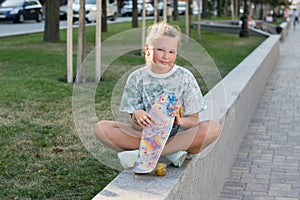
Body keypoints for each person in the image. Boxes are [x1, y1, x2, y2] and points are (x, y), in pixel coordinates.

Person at [94, 22, 222, 169]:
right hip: (147, 136)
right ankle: (170, 154)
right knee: (101, 128)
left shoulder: (185, 77)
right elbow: (135, 125)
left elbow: (194, 121)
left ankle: (146, 155)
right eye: (160, 50)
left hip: (178, 138)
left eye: (171, 52)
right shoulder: (136, 78)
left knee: (213, 127)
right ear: (148, 49)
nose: (166, 56)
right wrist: (137, 114)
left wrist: (180, 120)